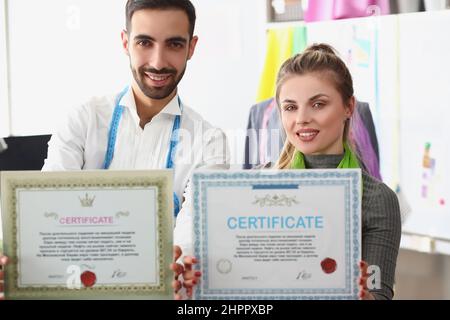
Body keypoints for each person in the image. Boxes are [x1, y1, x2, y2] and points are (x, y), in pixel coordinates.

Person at [0, 0, 229, 300]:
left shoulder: (209, 140)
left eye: (174, 44)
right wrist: (14, 264)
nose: (158, 61)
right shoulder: (83, 119)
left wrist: (179, 265)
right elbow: (46, 211)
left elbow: (189, 240)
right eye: (144, 42)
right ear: (125, 42)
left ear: (191, 47)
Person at [273, 43, 401, 300]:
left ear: (348, 107)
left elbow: (378, 292)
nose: (301, 118)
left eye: (318, 104)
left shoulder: (376, 199)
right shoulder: (256, 186)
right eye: (290, 107)